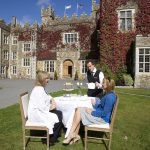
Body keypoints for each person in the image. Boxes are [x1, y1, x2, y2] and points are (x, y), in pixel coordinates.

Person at [62, 77, 116, 145]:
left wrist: (92, 112)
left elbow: (104, 113)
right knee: (78, 108)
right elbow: (102, 107)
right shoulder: (108, 94)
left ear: (109, 84)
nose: (102, 84)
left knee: (79, 111)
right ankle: (74, 134)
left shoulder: (110, 97)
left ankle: (71, 134)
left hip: (102, 119)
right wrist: (95, 105)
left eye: (103, 82)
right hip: (100, 115)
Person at [28, 70, 63, 145]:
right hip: (36, 114)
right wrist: (51, 107)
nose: (48, 80)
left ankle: (51, 136)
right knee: (58, 115)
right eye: (47, 78)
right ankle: (49, 139)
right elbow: (42, 107)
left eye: (48, 78)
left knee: (59, 113)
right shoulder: (38, 90)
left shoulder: (41, 88)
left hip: (39, 111)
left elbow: (47, 96)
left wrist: (52, 100)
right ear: (42, 79)